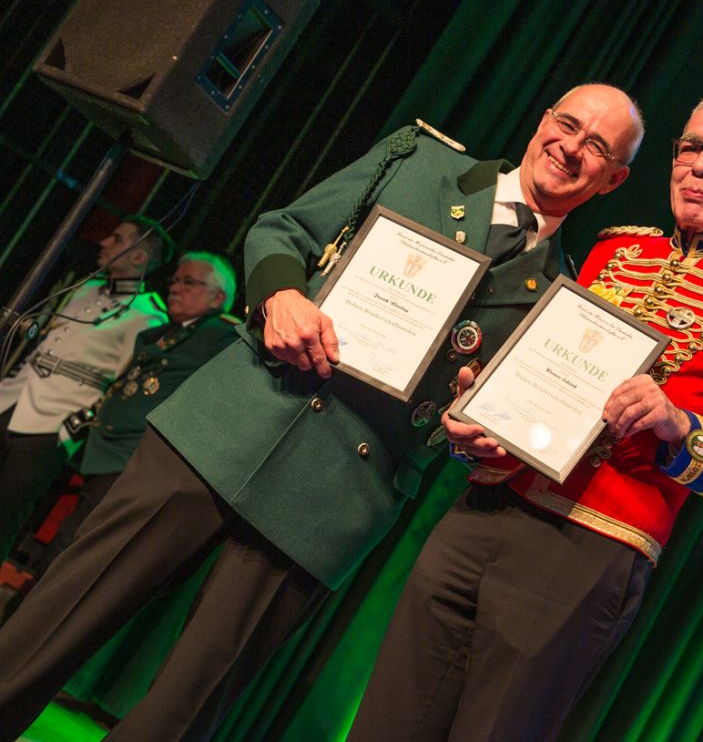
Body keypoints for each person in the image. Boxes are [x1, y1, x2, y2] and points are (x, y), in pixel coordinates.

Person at [0, 83, 643, 742]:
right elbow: (285, 229)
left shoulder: (559, 299)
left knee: (184, 709)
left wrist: (469, 435)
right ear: (543, 120)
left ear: (613, 178)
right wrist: (279, 294)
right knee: (55, 619)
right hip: (232, 417)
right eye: (567, 124)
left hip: (336, 491)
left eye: (597, 147)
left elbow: (473, 432)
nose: (571, 147)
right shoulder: (421, 160)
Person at [347, 94, 703, 741]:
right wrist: (482, 423)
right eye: (690, 148)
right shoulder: (614, 252)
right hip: (486, 509)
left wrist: (681, 429)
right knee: (384, 720)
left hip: (590, 547)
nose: (699, 166)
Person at [35, 252, 240, 568]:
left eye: (189, 282)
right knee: (67, 543)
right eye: (175, 280)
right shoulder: (160, 334)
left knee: (73, 550)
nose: (175, 288)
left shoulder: (221, 335)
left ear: (218, 297)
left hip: (135, 460)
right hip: (104, 452)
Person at [0, 216, 169, 559]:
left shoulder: (150, 316)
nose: (105, 242)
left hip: (51, 424)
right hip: (11, 398)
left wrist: (70, 430)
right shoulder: (85, 288)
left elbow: (123, 384)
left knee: (4, 515)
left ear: (139, 256)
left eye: (117, 239)